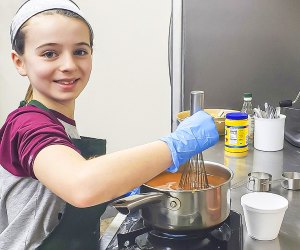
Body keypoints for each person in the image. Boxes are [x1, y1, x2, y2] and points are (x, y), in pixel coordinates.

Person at [0, 0, 219, 249]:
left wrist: (118, 186)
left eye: (80, 51)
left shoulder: (58, 123)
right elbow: (80, 184)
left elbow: (64, 187)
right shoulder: (27, 125)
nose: (69, 65)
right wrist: (176, 145)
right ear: (19, 62)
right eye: (50, 53)